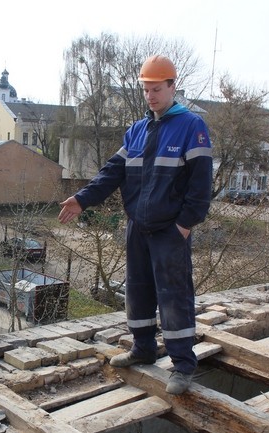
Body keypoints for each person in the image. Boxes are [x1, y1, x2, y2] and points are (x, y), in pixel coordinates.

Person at [58, 54, 213, 394]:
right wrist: (82, 198)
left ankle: (183, 366)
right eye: (146, 90)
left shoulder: (191, 127)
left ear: (173, 87)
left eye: (157, 89)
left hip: (170, 230)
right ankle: (143, 348)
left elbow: (201, 186)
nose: (150, 96)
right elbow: (112, 172)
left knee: (174, 297)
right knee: (138, 290)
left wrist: (185, 226)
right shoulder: (137, 131)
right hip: (137, 227)